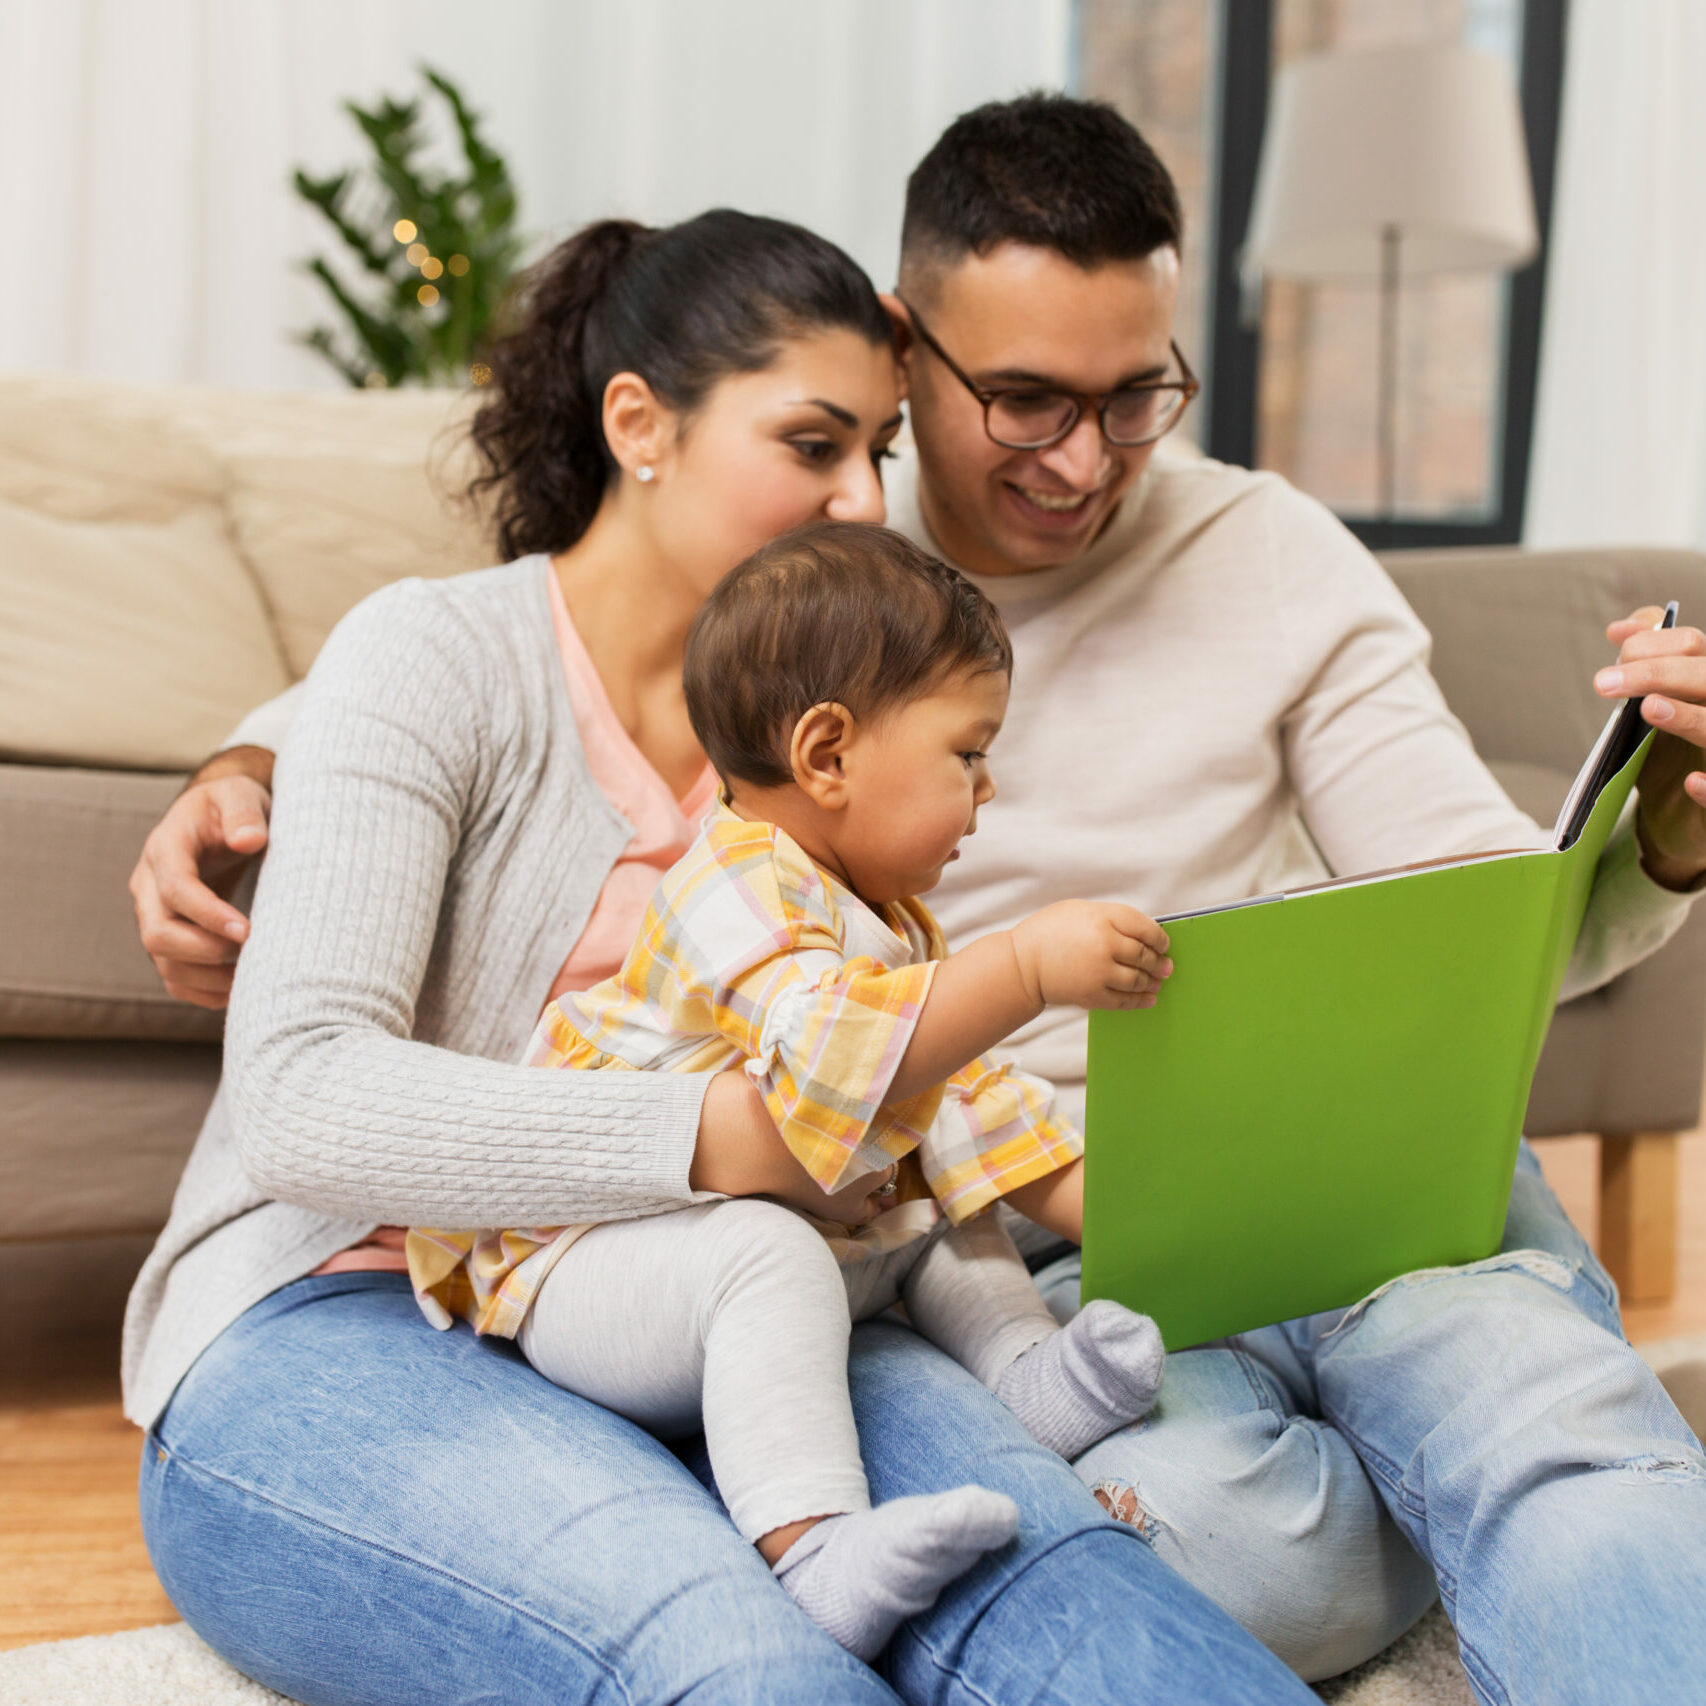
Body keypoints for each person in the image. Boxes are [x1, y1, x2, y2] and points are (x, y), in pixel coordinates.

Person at [131, 98, 1706, 1697]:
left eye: (1132, 397)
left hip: (1075, 1202)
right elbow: (437, 705)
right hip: (783, 1242)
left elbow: (1475, 904)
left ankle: (1509, 1457)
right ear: (905, 344)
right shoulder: (723, 674)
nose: (1073, 462)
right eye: (1017, 400)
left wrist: (1654, 840)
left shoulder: (1159, 593)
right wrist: (242, 771)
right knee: (959, 1596)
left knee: (1364, 1494)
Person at [119, 206, 1315, 1705]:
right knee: (731, 1649)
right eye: (813, 446)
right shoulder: (438, 658)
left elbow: (909, 1054)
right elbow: (301, 1097)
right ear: (641, 423)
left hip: (765, 1282)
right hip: (343, 1301)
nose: (864, 499)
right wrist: (724, 1140)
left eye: (878, 451)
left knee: (1054, 1579)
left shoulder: (844, 755)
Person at [407, 523, 1173, 1659]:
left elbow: (969, 1110)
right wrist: (1020, 968)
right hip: (587, 1263)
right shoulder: (725, 882)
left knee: (940, 1204)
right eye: (967, 753)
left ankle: (1023, 1376)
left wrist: (1162, 1227)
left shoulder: (889, 921)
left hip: (726, 1249)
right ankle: (812, 1546)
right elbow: (832, 1061)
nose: (987, 787)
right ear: (825, 754)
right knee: (768, 1250)